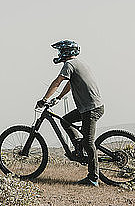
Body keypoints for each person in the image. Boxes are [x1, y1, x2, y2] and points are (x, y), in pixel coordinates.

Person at [36, 40, 104, 187]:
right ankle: (79, 147)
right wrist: (59, 98)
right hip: (88, 107)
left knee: (88, 141)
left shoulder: (69, 65)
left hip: (90, 109)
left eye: (60, 51)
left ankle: (93, 178)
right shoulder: (80, 64)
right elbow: (69, 83)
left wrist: (44, 99)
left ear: (65, 52)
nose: (58, 54)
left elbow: (57, 82)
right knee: (65, 120)